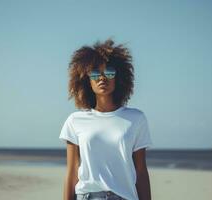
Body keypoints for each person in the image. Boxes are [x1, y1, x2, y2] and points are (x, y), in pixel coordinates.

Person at [59, 39, 152, 200]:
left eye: (109, 72)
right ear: (86, 79)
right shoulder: (75, 121)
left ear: (119, 77)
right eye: (95, 73)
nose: (102, 78)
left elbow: (141, 171)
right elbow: (71, 174)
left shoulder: (136, 119)